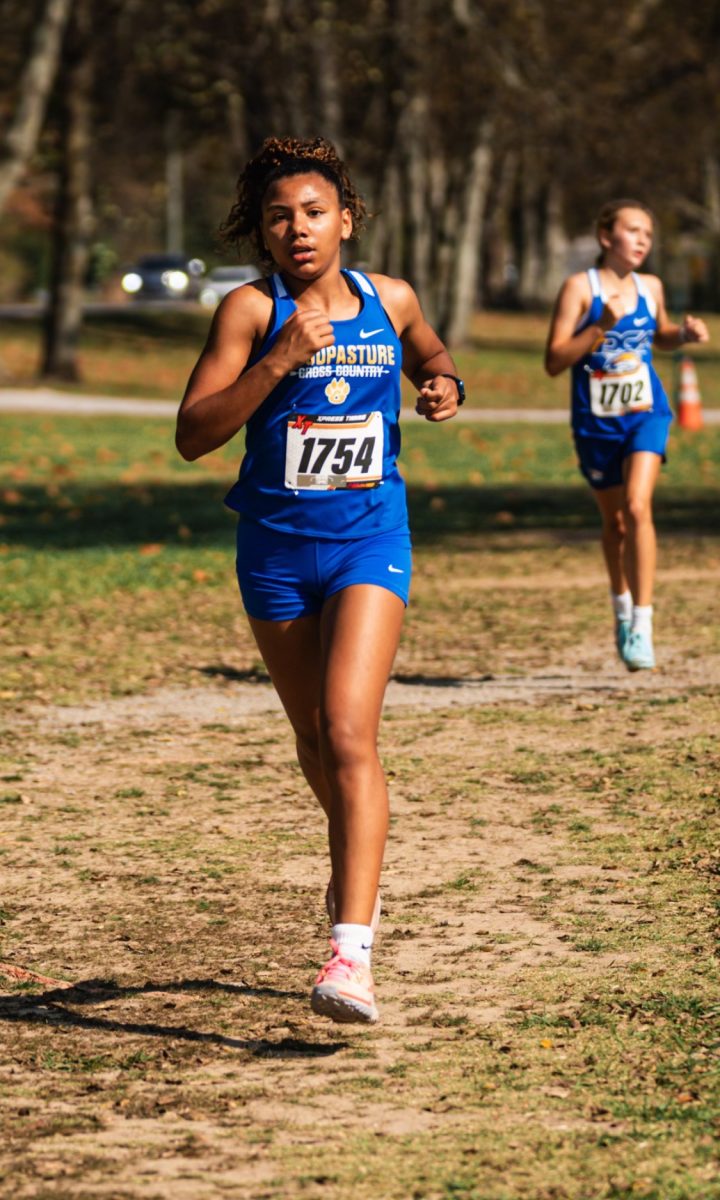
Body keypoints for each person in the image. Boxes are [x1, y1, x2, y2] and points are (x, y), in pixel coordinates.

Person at [175, 136, 464, 1024]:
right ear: (260, 234)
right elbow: (193, 433)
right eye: (277, 217)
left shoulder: (390, 297)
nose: (296, 230)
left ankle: (351, 953)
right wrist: (277, 360)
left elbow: (425, 346)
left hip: (369, 542)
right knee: (318, 744)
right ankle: (358, 845)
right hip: (273, 551)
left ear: (346, 219)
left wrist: (443, 378)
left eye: (312, 213)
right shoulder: (249, 312)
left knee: (347, 731)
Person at [544, 199, 709, 670]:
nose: (642, 241)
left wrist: (684, 334)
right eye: (633, 230)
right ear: (605, 237)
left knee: (639, 507)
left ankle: (642, 621)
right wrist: (599, 326)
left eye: (648, 234)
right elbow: (554, 361)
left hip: (646, 412)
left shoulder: (649, 286)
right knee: (615, 524)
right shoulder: (580, 288)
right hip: (596, 423)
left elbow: (658, 335)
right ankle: (620, 607)